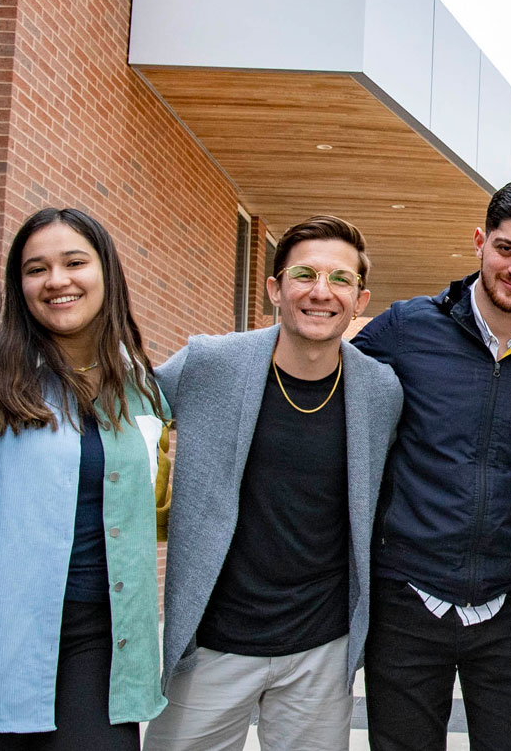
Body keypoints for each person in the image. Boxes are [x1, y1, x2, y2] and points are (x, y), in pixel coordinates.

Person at [0, 208, 169, 749]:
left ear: (107, 274)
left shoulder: (140, 382)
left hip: (101, 639)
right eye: (36, 269)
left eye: (75, 262)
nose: (57, 281)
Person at [144, 214, 402, 751]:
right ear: (274, 288)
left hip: (320, 651)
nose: (320, 292)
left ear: (360, 300)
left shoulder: (380, 391)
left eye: (340, 280)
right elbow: (124, 417)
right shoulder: (209, 364)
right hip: (212, 645)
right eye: (304, 274)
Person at [353, 181, 511, 751]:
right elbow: (322, 380)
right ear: (479, 241)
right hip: (407, 598)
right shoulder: (406, 329)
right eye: (505, 249)